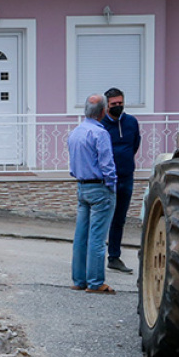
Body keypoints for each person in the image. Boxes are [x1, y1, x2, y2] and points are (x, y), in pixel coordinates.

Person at [67, 93, 118, 294]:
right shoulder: (100, 133)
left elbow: (72, 164)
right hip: (99, 188)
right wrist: (111, 186)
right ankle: (96, 282)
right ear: (103, 112)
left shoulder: (75, 132)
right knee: (97, 238)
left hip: (82, 186)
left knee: (81, 236)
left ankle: (79, 280)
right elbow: (107, 165)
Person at [101, 87, 141, 274]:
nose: (118, 107)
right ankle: (93, 257)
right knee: (101, 218)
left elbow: (135, 145)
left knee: (119, 219)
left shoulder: (131, 122)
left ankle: (114, 257)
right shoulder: (101, 124)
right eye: (113, 104)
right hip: (106, 179)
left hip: (126, 177)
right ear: (106, 105)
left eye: (120, 103)